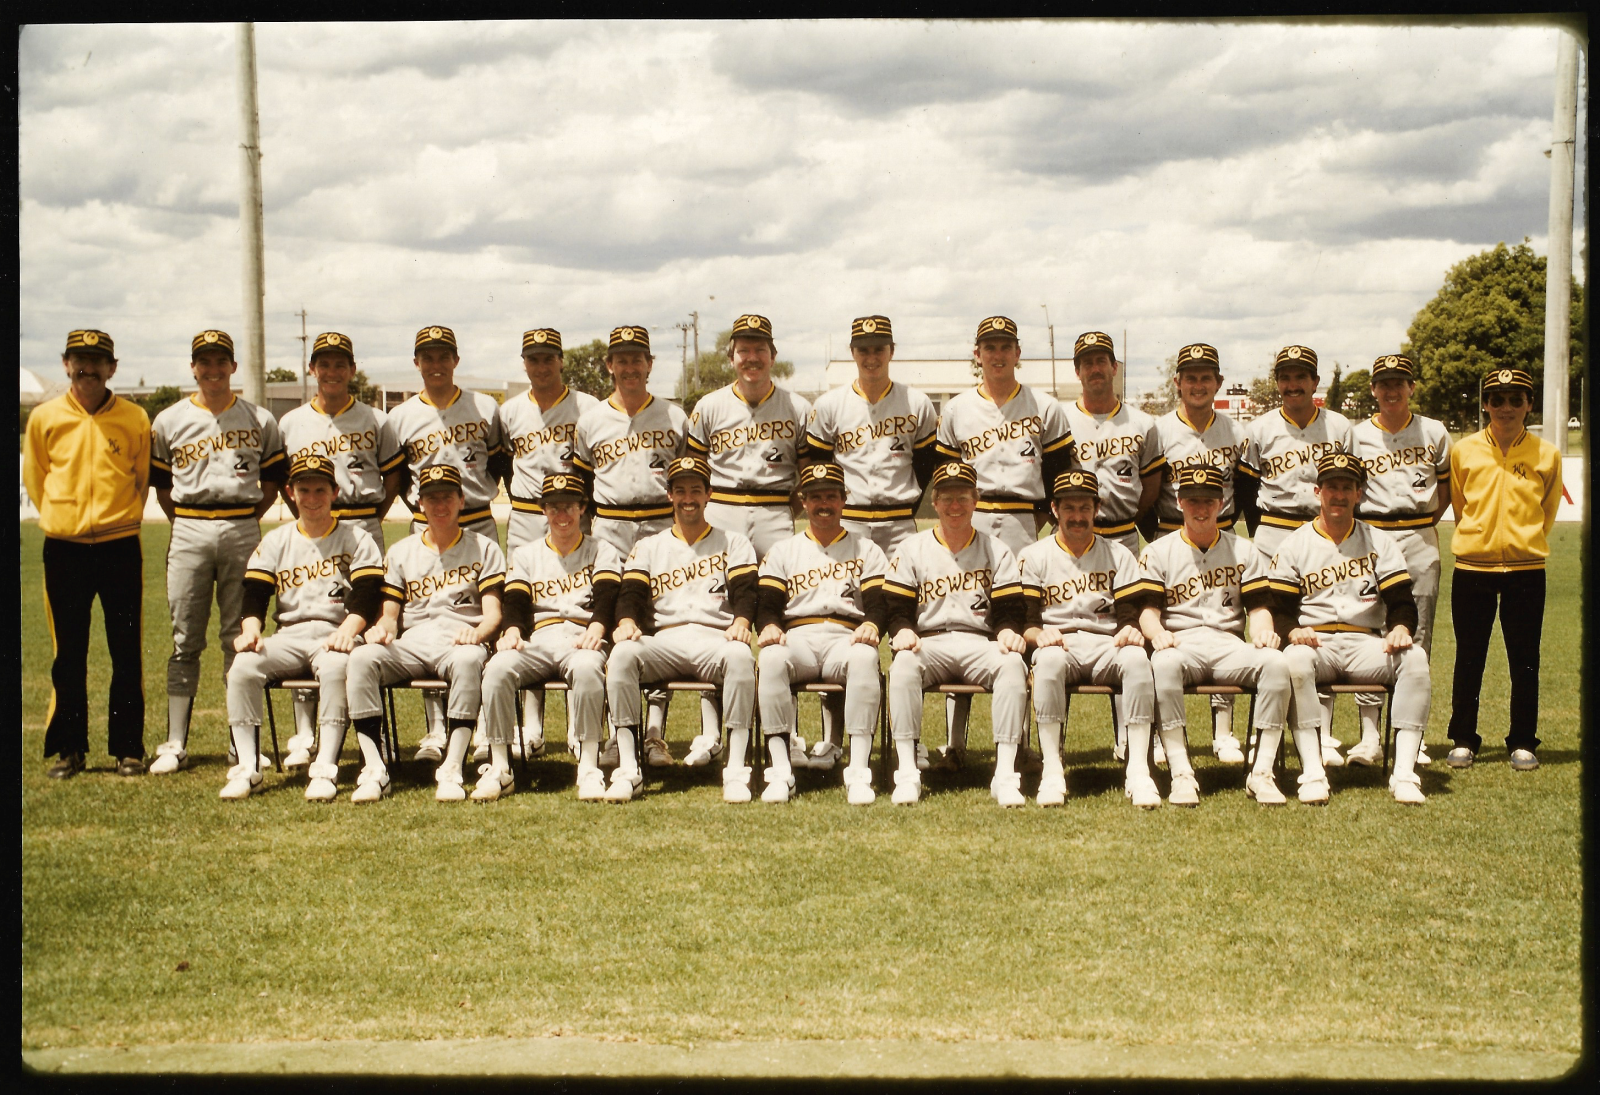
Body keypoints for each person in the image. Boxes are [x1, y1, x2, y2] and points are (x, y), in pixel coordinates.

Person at [931, 316, 1073, 771]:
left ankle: (1021, 743)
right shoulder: (955, 409)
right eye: (988, 346)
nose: (996, 354)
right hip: (967, 515)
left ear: (1018, 352)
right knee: (961, 618)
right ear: (977, 354)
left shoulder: (1046, 407)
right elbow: (941, 475)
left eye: (1004, 346)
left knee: (1020, 624)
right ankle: (955, 743)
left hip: (1021, 518)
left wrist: (1043, 523)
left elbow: (1058, 476)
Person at [800, 314, 937, 771]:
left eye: (879, 348)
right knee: (838, 625)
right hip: (850, 524)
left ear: (891, 351)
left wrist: (906, 506)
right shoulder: (831, 404)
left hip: (898, 522)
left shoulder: (917, 402)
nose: (871, 356)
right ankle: (833, 739)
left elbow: (926, 468)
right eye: (863, 348)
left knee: (904, 626)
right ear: (852, 352)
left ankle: (910, 738)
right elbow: (818, 470)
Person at [148, 329, 288, 775]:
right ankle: (175, 742)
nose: (212, 370)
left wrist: (243, 518)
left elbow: (270, 485)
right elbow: (164, 489)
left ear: (232, 366)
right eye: (203, 362)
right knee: (185, 638)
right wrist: (191, 521)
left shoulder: (259, 418)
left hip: (242, 526)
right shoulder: (168, 420)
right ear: (193, 367)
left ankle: (238, 743)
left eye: (220, 361)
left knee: (240, 634)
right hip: (189, 525)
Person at [1264, 452, 1431, 805]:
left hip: (1363, 642)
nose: (1338, 495)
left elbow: (1402, 600)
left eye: (1346, 487)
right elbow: (1278, 609)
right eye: (1331, 487)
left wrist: (1400, 627)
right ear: (1317, 492)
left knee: (1415, 658)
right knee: (1294, 661)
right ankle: (1312, 771)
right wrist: (1293, 632)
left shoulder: (1379, 541)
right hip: (1315, 641)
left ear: (1359, 494)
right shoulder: (1294, 543)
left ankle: (1404, 773)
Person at [23, 328, 151, 779]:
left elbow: (140, 478)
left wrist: (120, 517)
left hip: (119, 545)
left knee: (125, 651)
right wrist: (64, 519)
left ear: (111, 368)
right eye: (79, 359)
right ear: (65, 363)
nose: (87, 368)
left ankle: (128, 748)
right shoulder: (44, 417)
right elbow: (37, 479)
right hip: (64, 550)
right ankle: (69, 748)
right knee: (68, 653)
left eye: (97, 361)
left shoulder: (134, 418)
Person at [276, 330, 404, 770]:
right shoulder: (291, 423)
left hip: (361, 519)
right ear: (312, 369)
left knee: (367, 628)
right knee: (305, 616)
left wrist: (369, 517)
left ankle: (374, 734)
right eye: (323, 363)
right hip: (311, 524)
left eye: (340, 364)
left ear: (352, 369)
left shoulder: (375, 419)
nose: (332, 371)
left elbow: (393, 480)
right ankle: (304, 733)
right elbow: (282, 480)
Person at [224, 455, 385, 801]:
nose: (312, 498)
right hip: (290, 634)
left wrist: (349, 628)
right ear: (290, 493)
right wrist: (251, 629)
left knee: (336, 668)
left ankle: (326, 767)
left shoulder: (356, 538)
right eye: (304, 490)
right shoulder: (276, 540)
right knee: (242, 667)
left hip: (336, 632)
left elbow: (369, 594)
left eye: (320, 490)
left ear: (335, 492)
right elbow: (254, 594)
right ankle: (247, 767)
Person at [344, 465, 505, 803]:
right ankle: (375, 769)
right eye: (432, 499)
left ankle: (453, 767)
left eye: (447, 497)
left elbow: (493, 616)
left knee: (468, 659)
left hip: (459, 638)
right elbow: (390, 616)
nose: (440, 505)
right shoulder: (402, 551)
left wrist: (478, 634)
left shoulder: (485, 548)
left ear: (462, 500)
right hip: (413, 642)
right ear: (419, 504)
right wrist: (381, 631)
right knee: (361, 658)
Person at [385, 324, 508, 764]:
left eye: (444, 356)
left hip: (477, 517)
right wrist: (428, 511)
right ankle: (437, 730)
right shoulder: (399, 417)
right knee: (425, 618)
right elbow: (398, 479)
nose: (436, 365)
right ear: (416, 362)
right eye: (427, 357)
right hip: (428, 524)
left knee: (477, 623)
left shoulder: (484, 407)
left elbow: (498, 462)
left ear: (456, 360)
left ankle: (477, 729)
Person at [605, 456, 759, 803]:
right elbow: (630, 593)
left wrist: (742, 622)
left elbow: (747, 592)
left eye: (695, 490)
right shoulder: (649, 545)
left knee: (739, 656)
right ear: (670, 496)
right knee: (623, 653)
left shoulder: (733, 542)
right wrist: (627, 622)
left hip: (715, 637)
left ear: (708, 495)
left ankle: (735, 769)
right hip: (667, 640)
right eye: (680, 491)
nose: (688, 498)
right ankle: (629, 767)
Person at [1136, 466, 1291, 807]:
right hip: (1181, 642)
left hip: (1228, 644)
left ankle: (1262, 772)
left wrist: (1263, 633)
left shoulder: (1245, 551)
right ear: (1179, 502)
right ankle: (1181, 773)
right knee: (1163, 664)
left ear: (1221, 503)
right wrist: (1157, 633)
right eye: (1193, 501)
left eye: (1208, 501)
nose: (1200, 509)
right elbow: (1147, 610)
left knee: (1277, 664)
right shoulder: (1157, 552)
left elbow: (1259, 607)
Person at [571, 324, 689, 769]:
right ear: (609, 366)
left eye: (637, 358)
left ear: (650, 364)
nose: (629, 367)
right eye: (620, 359)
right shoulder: (592, 419)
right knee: (606, 624)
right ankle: (615, 734)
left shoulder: (675, 417)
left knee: (656, 624)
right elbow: (581, 483)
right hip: (612, 526)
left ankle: (655, 733)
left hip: (661, 525)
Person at [882, 461, 1029, 807]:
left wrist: (1007, 631)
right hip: (928, 642)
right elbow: (896, 606)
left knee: (1012, 666)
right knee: (902, 665)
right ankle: (907, 773)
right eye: (947, 498)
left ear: (975, 500)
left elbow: (1009, 608)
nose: (954, 506)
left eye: (962, 498)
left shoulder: (997, 549)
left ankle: (1005, 775)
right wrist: (902, 629)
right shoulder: (912, 548)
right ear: (934, 502)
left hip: (979, 642)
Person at [1236, 345, 1354, 768]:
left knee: (1320, 629)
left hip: (1325, 535)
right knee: (1272, 632)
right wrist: (1262, 536)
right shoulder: (1261, 428)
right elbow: (1246, 489)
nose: (1292, 384)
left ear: (1315, 382)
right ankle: (1265, 732)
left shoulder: (1340, 427)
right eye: (1285, 376)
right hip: (1275, 530)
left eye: (1300, 376)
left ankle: (1319, 733)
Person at [1444, 366, 1563, 772]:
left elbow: (1546, 512)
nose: (1506, 408)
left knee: (1525, 657)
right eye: (1497, 400)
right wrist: (1481, 541)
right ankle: (1463, 738)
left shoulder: (1546, 454)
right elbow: (1460, 506)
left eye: (1516, 400)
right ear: (1485, 404)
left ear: (1529, 404)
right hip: (1472, 566)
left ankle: (1523, 740)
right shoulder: (1465, 450)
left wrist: (1523, 540)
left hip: (1526, 569)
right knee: (1469, 656)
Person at [1018, 470, 1158, 808]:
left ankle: (1138, 769)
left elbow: (1128, 614)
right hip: (1058, 643)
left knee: (1138, 660)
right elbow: (1025, 622)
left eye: (1085, 507)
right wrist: (1039, 635)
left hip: (1106, 644)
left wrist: (1131, 629)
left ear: (1097, 509)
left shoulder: (1119, 555)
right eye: (1069, 508)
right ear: (1054, 509)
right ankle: (1052, 768)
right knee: (1048, 662)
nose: (1077, 516)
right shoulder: (1034, 556)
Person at [481, 473, 621, 802]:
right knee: (498, 668)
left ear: (583, 509)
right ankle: (500, 766)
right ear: (543, 511)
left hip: (582, 635)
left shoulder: (601, 550)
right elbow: (514, 599)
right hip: (539, 638)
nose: (562, 515)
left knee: (588, 669)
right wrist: (513, 630)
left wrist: (597, 629)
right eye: (554, 508)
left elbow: (606, 598)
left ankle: (588, 766)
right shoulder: (527, 554)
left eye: (569, 507)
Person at [756, 464, 890, 805]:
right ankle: (781, 771)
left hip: (845, 637)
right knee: (770, 658)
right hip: (798, 637)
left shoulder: (867, 549)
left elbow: (878, 604)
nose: (824, 503)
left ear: (844, 500)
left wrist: (872, 625)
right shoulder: (783, 550)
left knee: (865, 657)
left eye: (831, 495)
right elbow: (768, 603)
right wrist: (769, 624)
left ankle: (858, 771)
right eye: (815, 497)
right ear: (803, 502)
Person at [1061, 330, 1165, 766]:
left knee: (1128, 636)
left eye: (1102, 361)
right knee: (1065, 630)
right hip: (1072, 541)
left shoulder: (1142, 424)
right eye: (1087, 362)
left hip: (1122, 537)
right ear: (1078, 370)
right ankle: (1056, 739)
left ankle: (1134, 736)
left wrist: (1123, 525)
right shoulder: (1060, 420)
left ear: (1114, 367)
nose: (1095, 369)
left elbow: (1152, 488)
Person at [498, 327, 599, 760]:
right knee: (530, 612)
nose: (541, 366)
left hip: (575, 513)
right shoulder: (509, 412)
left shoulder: (587, 406)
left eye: (548, 358)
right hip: (525, 512)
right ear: (524, 363)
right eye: (533, 359)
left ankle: (587, 726)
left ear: (561, 361)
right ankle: (533, 726)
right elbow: (501, 463)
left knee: (580, 608)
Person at [1151, 342, 1252, 764]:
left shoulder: (1236, 431)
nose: (1197, 384)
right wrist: (1157, 539)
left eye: (1205, 377)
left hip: (1221, 535)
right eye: (1189, 377)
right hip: (1171, 536)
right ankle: (1163, 734)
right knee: (1171, 631)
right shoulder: (1158, 431)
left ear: (1218, 383)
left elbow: (1246, 491)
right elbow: (1151, 490)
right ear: (1177, 383)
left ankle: (1224, 732)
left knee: (1224, 623)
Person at [1348, 354, 1451, 767]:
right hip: (1370, 533)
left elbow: (1444, 492)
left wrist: (1421, 525)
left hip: (1419, 532)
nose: (1391, 390)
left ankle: (1413, 735)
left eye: (1399, 382)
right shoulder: (1356, 436)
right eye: (1383, 383)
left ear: (1412, 387)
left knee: (1418, 633)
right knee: (1371, 630)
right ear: (1373, 389)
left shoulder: (1434, 431)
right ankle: (1370, 735)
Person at [687, 313, 812, 559]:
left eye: (760, 350)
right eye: (743, 351)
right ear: (731, 359)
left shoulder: (798, 408)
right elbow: (692, 472)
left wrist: (787, 511)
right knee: (716, 592)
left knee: (776, 590)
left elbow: (808, 475)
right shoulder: (708, 406)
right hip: (721, 508)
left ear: (773, 357)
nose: (752, 358)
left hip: (774, 509)